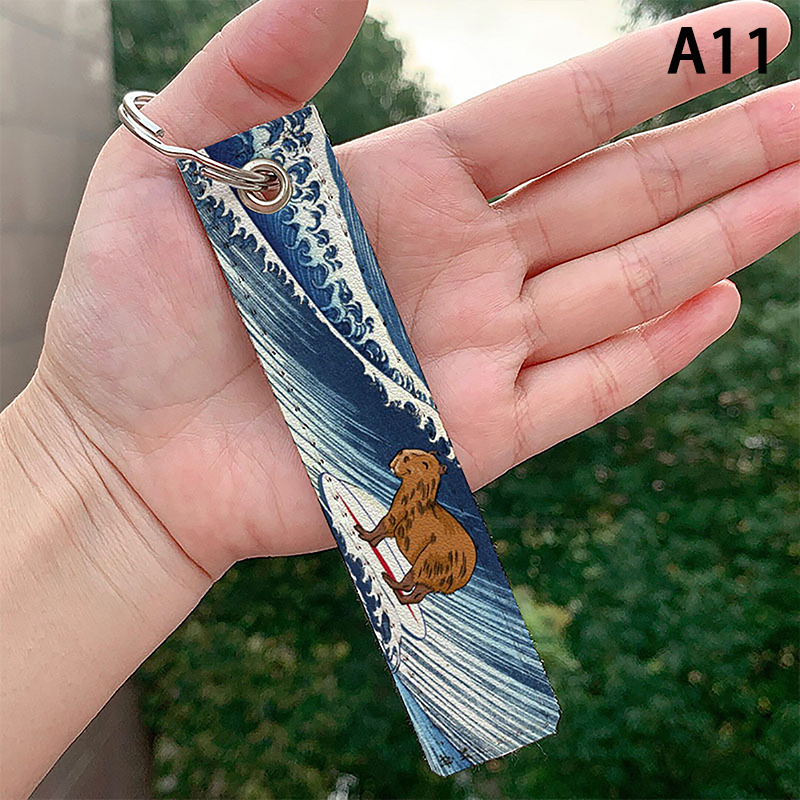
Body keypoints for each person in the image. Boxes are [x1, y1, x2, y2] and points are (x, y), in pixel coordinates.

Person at [1, 0, 797, 795]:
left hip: (423, 552)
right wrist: (102, 463)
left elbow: (407, 512)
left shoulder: (415, 493)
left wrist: (107, 483)